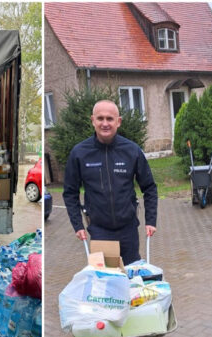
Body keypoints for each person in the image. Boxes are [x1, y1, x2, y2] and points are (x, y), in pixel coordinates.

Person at [63, 100, 158, 265]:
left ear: (118, 122)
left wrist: (150, 221)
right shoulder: (80, 153)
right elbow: (70, 192)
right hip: (100, 231)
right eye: (100, 118)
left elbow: (149, 187)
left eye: (110, 118)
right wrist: (78, 225)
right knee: (105, 281)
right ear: (93, 120)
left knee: (131, 279)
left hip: (128, 230)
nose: (105, 123)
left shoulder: (132, 150)